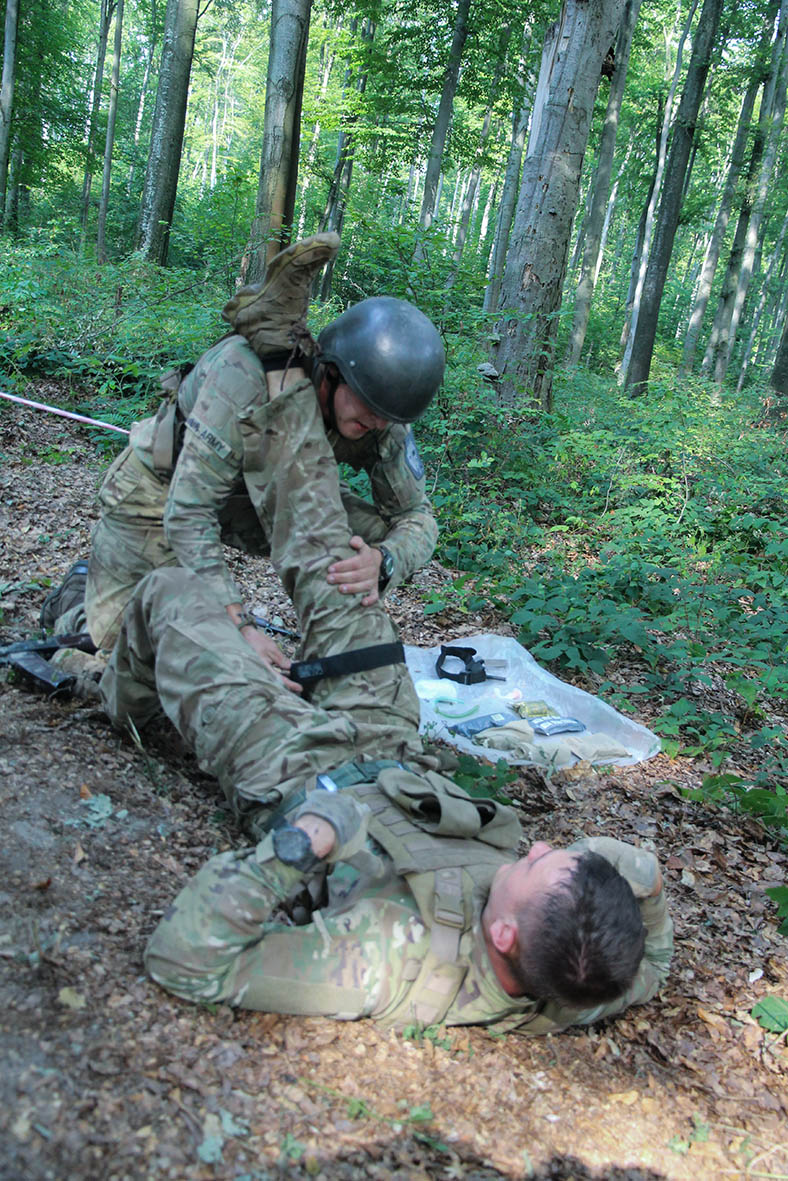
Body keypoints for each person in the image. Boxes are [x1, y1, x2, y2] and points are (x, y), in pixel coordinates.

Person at [98, 414, 672, 1032]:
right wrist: (645, 882)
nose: (534, 846)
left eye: (532, 865)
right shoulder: (584, 970)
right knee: (349, 572)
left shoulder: (388, 962)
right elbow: (652, 965)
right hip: (395, 750)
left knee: (175, 591)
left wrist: (302, 844)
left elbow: (186, 961)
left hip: (293, 766)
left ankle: (116, 701)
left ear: (502, 935)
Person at [45, 232, 444, 694]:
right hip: (161, 491)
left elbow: (417, 517)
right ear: (333, 371)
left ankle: (327, 668)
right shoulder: (242, 375)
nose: (376, 422)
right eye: (368, 406)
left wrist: (384, 560)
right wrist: (240, 626)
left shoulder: (383, 415)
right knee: (123, 662)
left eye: (388, 415)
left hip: (265, 495)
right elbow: (189, 512)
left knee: (365, 537)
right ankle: (77, 595)